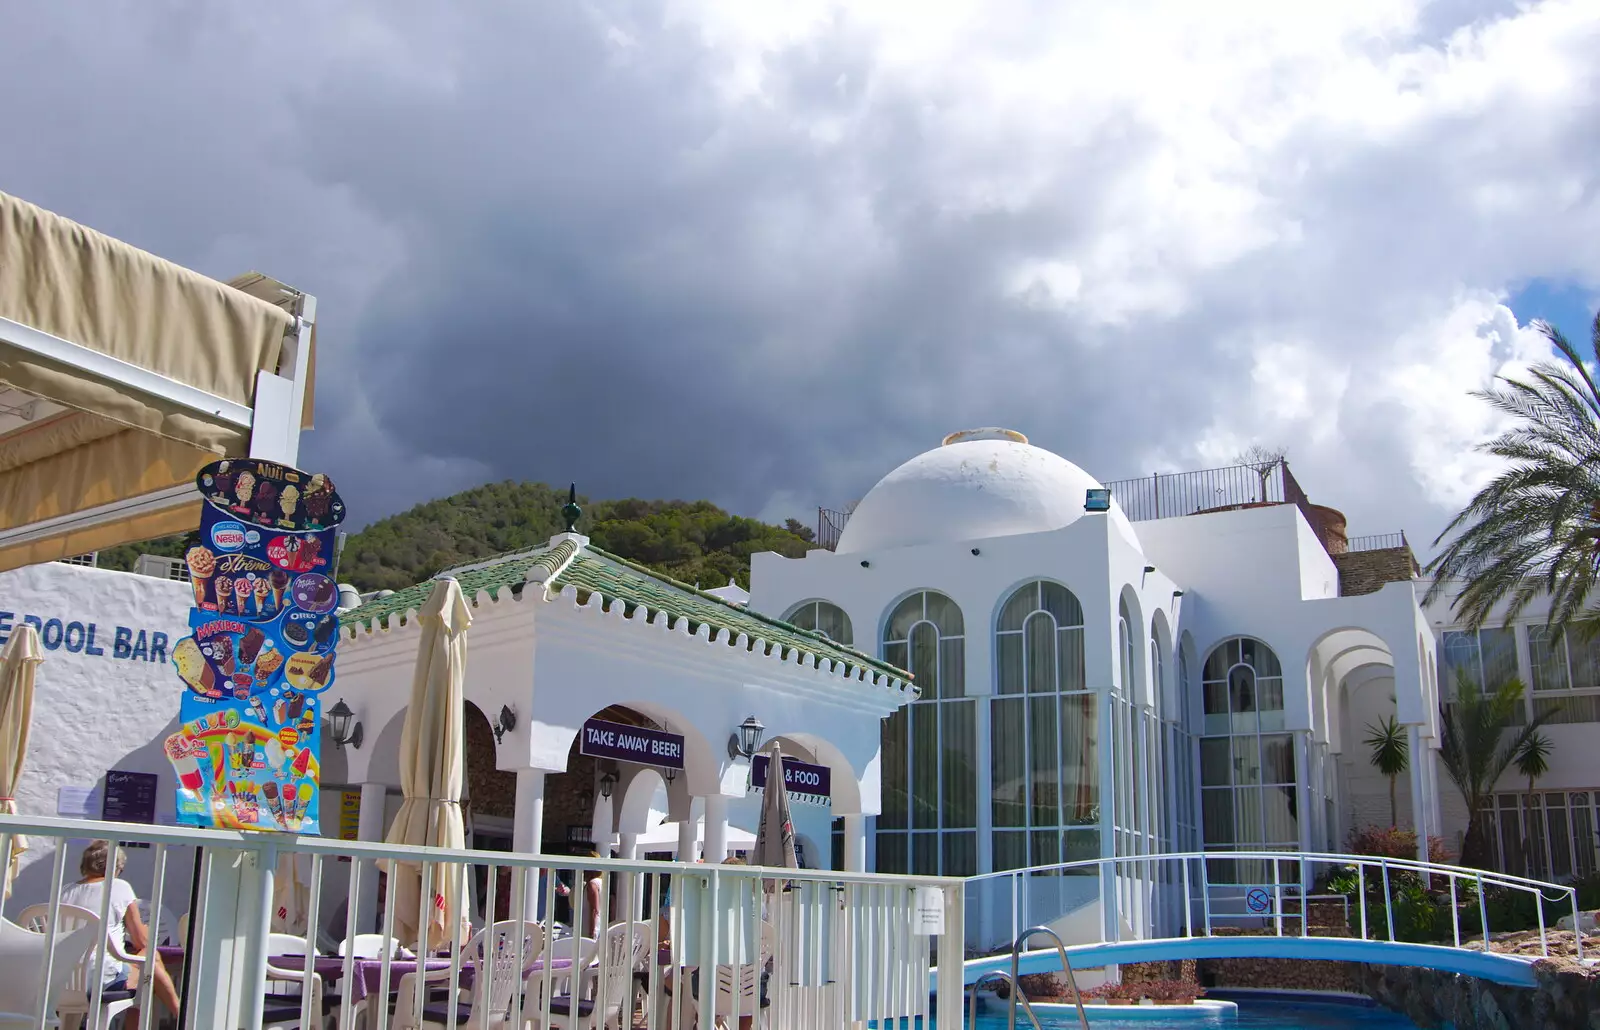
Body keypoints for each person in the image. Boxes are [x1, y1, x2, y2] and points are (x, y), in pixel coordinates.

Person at [58, 840, 182, 1025]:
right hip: (101, 978)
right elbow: (143, 943)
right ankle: (183, 1017)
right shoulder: (119, 887)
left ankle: (182, 1015)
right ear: (115, 869)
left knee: (144, 973)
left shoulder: (65, 891)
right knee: (150, 959)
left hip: (63, 980)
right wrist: (145, 932)